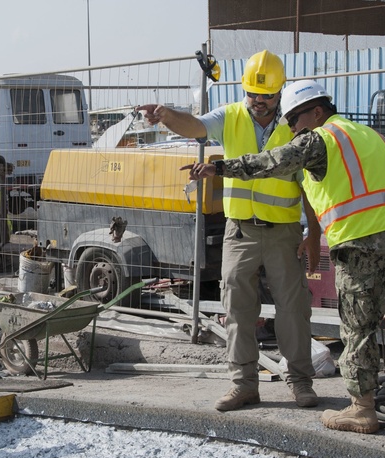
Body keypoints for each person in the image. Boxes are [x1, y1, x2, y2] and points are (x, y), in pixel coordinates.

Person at [185, 79, 385, 436]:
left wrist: (220, 168)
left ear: (316, 111)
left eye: (295, 119)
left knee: (358, 330)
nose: (292, 128)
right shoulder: (366, 134)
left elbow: (272, 162)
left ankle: (362, 409)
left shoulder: (321, 139)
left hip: (362, 245)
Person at [137, 50, 319, 412]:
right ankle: (243, 385)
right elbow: (197, 127)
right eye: (253, 94)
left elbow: (309, 186)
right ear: (245, 90)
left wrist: (312, 234)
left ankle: (300, 382)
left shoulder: (293, 123)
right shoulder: (232, 115)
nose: (259, 102)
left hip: (283, 232)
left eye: (266, 96)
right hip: (240, 233)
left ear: (279, 91)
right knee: (236, 309)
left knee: (292, 310)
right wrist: (167, 116)